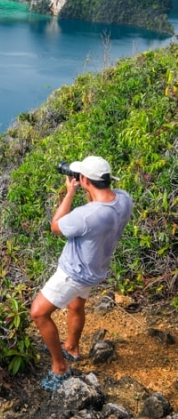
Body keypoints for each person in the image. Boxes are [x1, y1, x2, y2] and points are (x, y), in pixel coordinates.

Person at [30, 155, 133, 392]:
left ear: (84, 180)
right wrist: (87, 187)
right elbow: (100, 201)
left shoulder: (87, 215)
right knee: (76, 307)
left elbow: (56, 225)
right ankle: (72, 348)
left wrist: (69, 192)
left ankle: (60, 367)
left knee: (38, 313)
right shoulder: (124, 200)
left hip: (73, 273)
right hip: (95, 268)